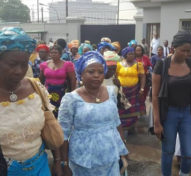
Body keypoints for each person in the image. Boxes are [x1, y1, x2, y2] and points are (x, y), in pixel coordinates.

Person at [58, 51, 128, 176]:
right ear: (81, 74)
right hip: (83, 160)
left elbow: (116, 123)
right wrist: (63, 162)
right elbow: (62, 135)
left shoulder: (111, 92)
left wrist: (122, 149)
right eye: (91, 72)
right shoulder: (71, 99)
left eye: (101, 72)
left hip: (110, 156)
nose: (97, 76)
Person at [0, 27, 54, 175]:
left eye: (24, 64)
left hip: (40, 166)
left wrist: (60, 162)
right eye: (12, 64)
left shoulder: (35, 88)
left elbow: (50, 126)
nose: (18, 70)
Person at [152, 30, 191, 176]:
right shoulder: (161, 65)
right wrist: (157, 122)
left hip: (188, 113)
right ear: (174, 48)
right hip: (169, 114)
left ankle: (184, 174)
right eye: (183, 50)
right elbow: (154, 96)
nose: (187, 54)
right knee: (168, 151)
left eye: (189, 51)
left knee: (189, 154)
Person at [39, 45, 76, 118]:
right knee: (49, 111)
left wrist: (72, 93)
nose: (53, 54)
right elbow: (41, 79)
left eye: (55, 52)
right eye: (52, 53)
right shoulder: (44, 65)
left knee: (61, 111)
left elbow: (72, 79)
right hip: (48, 92)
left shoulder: (67, 64)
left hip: (62, 92)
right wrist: (40, 92)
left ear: (60, 54)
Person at [116, 46, 146, 129]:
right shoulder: (119, 64)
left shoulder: (138, 65)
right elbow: (115, 76)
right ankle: (122, 127)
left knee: (133, 110)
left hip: (134, 91)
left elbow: (142, 77)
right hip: (122, 92)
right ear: (125, 55)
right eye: (130, 54)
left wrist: (142, 89)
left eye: (133, 54)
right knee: (121, 109)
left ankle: (132, 127)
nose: (132, 55)